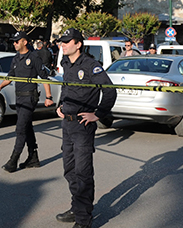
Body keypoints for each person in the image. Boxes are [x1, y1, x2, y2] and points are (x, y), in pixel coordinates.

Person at [55, 28, 117, 228]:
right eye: (61, 42)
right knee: (69, 169)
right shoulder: (66, 63)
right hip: (67, 123)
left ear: (78, 44)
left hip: (83, 125)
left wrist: (98, 115)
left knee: (83, 173)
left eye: (66, 42)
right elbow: (66, 89)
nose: (62, 45)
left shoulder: (91, 65)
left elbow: (109, 92)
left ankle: (84, 220)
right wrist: (60, 106)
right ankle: (77, 207)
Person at [0, 32, 54, 173]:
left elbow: (44, 78)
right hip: (19, 97)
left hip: (30, 98)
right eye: (13, 41)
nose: (14, 44)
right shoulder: (16, 58)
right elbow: (10, 76)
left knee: (20, 128)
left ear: (24, 42)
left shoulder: (34, 57)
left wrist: (49, 97)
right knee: (27, 127)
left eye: (16, 41)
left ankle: (13, 160)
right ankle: (33, 158)